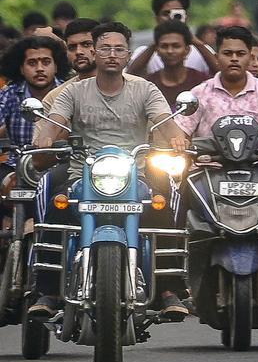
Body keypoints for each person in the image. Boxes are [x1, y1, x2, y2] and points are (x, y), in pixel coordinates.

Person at [29, 22, 190, 321]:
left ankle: (169, 289)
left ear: (128, 55)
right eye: (104, 48)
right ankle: (48, 291)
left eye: (119, 49)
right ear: (94, 52)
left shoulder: (145, 89)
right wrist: (47, 137)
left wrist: (176, 136)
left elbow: (164, 121)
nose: (112, 54)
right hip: (83, 177)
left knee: (161, 206)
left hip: (134, 178)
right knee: (57, 208)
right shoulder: (74, 92)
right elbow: (55, 122)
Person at [178, 26, 258, 140]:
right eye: (227, 53)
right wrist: (180, 142)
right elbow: (180, 131)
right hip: (208, 158)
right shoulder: (199, 94)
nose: (234, 59)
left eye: (240, 54)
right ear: (217, 58)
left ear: (249, 57)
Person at [0, 36, 68, 174]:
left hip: (61, 167)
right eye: (32, 63)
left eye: (46, 62)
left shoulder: (70, 91)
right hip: (16, 167)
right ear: (21, 69)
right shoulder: (9, 94)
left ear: (56, 66)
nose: (39, 69)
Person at [128, 0, 218, 76]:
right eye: (166, 14)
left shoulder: (202, 50)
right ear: (156, 18)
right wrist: (157, 41)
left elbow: (220, 73)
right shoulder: (144, 52)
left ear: (186, 17)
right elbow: (130, 75)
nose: (171, 19)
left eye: (176, 14)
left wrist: (195, 42)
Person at [146, 21, 210, 109]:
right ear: (157, 50)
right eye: (164, 46)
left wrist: (198, 43)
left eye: (176, 46)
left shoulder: (202, 83)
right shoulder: (148, 86)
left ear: (187, 50)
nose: (170, 51)